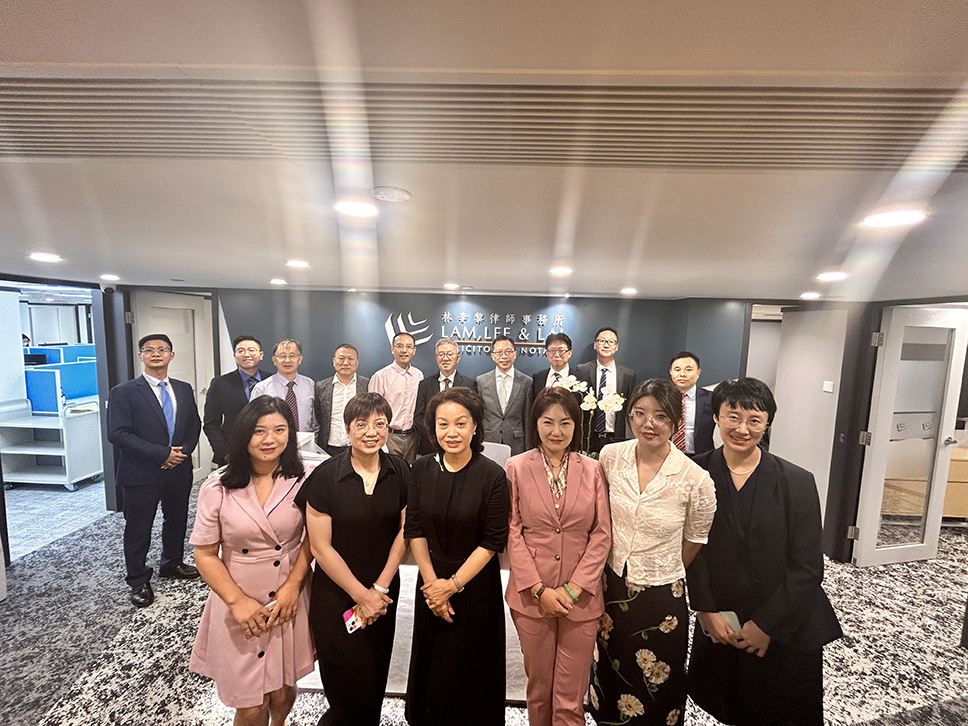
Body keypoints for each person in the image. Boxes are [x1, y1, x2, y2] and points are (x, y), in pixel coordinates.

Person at [686, 378, 842, 726]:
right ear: (716, 417)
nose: (742, 429)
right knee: (729, 705)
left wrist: (766, 625)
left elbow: (807, 567)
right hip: (723, 619)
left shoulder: (796, 482)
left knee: (780, 711)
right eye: (733, 416)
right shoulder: (694, 472)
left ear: (767, 422)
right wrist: (706, 610)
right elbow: (692, 550)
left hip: (786, 622)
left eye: (754, 420)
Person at [589, 378, 716, 726]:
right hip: (611, 588)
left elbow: (695, 539)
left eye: (661, 416)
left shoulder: (695, 479)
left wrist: (660, 567)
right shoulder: (611, 457)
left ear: (675, 421)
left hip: (661, 599)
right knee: (610, 675)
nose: (649, 423)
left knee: (657, 686)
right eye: (640, 413)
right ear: (629, 416)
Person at [189, 395, 315, 725]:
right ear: (244, 433)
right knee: (248, 704)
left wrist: (293, 586)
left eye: (279, 430)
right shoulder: (218, 486)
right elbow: (204, 553)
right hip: (238, 598)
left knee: (282, 689)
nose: (269, 439)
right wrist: (237, 602)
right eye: (259, 431)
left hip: (287, 596)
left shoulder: (305, 478)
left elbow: (312, 540)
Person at [296, 392, 409, 726]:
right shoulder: (326, 476)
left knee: (374, 677)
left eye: (379, 424)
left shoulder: (400, 471)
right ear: (347, 430)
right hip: (336, 595)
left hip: (384, 591)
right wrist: (362, 595)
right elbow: (321, 547)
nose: (371, 432)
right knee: (345, 684)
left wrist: (379, 589)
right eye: (361, 424)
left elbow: (405, 532)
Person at [505, 386, 611, 726]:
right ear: (535, 423)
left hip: (580, 600)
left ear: (576, 425)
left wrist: (574, 588)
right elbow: (512, 531)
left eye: (565, 423)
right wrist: (539, 590)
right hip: (531, 597)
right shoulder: (516, 467)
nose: (556, 431)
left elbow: (601, 533)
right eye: (548, 422)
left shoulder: (592, 469)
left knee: (570, 697)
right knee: (539, 691)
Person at [405, 386, 510, 726]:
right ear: (432, 428)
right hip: (431, 583)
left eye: (461, 423)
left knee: (472, 676)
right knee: (434, 675)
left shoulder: (493, 475)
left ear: (476, 426)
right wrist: (433, 586)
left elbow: (492, 541)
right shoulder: (421, 468)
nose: (452, 432)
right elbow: (415, 529)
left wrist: (451, 586)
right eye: (443, 424)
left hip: (475, 586)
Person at [107, 333, 202, 607]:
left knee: (177, 519)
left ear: (171, 355)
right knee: (139, 527)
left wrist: (182, 453)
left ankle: (171, 563)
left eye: (162, 349)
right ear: (141, 356)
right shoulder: (123, 392)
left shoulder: (183, 388)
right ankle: (138, 579)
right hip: (141, 472)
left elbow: (193, 425)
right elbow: (118, 433)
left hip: (178, 470)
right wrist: (163, 454)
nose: (156, 354)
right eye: (149, 350)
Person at [203, 334, 272, 466]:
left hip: (268, 449)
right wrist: (225, 453)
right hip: (232, 452)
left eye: (251, 350)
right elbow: (211, 423)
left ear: (261, 355)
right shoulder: (220, 383)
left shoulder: (272, 380)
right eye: (241, 351)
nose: (246, 354)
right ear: (234, 356)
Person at [576, 327, 637, 454]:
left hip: (616, 437)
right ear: (595, 345)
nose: (606, 345)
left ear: (616, 346)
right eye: (602, 341)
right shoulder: (582, 370)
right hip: (588, 437)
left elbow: (631, 408)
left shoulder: (627, 374)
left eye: (611, 341)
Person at [414, 338, 477, 456]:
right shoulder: (425, 384)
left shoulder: (469, 384)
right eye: (441, 354)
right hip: (429, 447)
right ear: (436, 358)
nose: (445, 358)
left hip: (459, 444)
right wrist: (437, 434)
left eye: (450, 354)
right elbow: (418, 417)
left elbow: (473, 416)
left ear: (457, 358)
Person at [368, 332, 424, 464]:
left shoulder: (418, 375)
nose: (404, 350)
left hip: (412, 438)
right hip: (389, 437)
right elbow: (372, 412)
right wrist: (382, 443)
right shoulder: (381, 376)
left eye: (408, 346)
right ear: (392, 349)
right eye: (399, 346)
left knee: (410, 474)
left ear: (414, 350)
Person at [477, 334, 533, 456]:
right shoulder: (481, 381)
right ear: (492, 356)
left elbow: (527, 418)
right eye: (499, 352)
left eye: (508, 352)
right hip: (489, 440)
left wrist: (528, 448)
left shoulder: (526, 382)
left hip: (516, 443)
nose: (504, 356)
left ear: (515, 354)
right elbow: (479, 415)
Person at [313, 343, 370, 457]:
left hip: (358, 446)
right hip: (329, 448)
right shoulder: (321, 386)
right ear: (334, 361)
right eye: (341, 358)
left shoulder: (367, 385)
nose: (345, 363)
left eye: (350, 359)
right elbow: (319, 416)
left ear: (357, 362)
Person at [250, 338, 317, 433]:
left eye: (292, 356)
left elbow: (315, 420)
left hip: (306, 440)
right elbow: (252, 421)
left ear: (300, 359)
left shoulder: (309, 384)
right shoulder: (262, 388)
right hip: (273, 440)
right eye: (282, 356)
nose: (287, 360)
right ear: (274, 360)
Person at [669, 351, 715, 458]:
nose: (682, 374)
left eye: (688, 369)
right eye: (677, 370)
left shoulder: (711, 398)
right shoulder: (663, 398)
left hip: (701, 457)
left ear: (698, 372)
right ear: (671, 372)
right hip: (668, 455)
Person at [530, 332, 575, 399]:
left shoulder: (580, 378)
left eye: (561, 350)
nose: (556, 355)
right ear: (547, 353)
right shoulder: (537, 378)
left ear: (569, 353)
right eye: (552, 350)